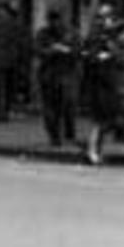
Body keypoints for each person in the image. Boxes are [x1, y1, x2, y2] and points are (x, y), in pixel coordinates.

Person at [78, 7, 124, 166]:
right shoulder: (101, 43)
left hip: (122, 89)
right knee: (102, 122)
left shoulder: (121, 47)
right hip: (106, 89)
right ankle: (92, 151)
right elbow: (90, 61)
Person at [33, 8, 78, 149]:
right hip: (49, 75)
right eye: (53, 20)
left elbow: (79, 51)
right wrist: (52, 50)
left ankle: (69, 134)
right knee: (51, 109)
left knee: (68, 105)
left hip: (66, 73)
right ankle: (55, 137)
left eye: (57, 19)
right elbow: (37, 50)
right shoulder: (43, 34)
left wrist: (67, 50)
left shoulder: (71, 33)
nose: (55, 23)